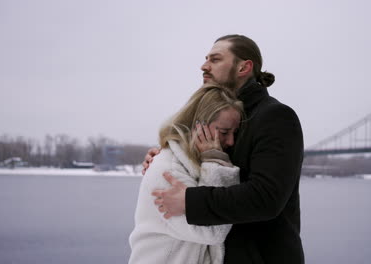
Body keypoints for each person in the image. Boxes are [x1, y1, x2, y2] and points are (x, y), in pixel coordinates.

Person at [147, 34, 305, 263]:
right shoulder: (219, 117)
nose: (204, 66)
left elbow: (266, 197)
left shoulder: (276, 117)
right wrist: (167, 158)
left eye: (215, 59)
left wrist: (190, 202)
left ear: (244, 67)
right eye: (206, 59)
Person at [128, 84, 243, 264]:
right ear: (198, 125)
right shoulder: (169, 172)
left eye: (234, 133)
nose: (231, 141)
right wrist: (216, 162)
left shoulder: (188, 165)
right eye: (224, 132)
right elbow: (212, 232)